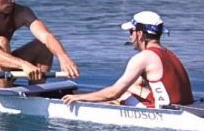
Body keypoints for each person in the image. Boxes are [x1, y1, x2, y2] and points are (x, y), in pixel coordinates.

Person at [63, 11, 193, 108]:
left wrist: (79, 97)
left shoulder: (143, 58)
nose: (130, 37)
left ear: (140, 34)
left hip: (165, 112)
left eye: (131, 32)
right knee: (128, 88)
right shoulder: (169, 54)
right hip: (183, 105)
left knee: (120, 96)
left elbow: (114, 92)